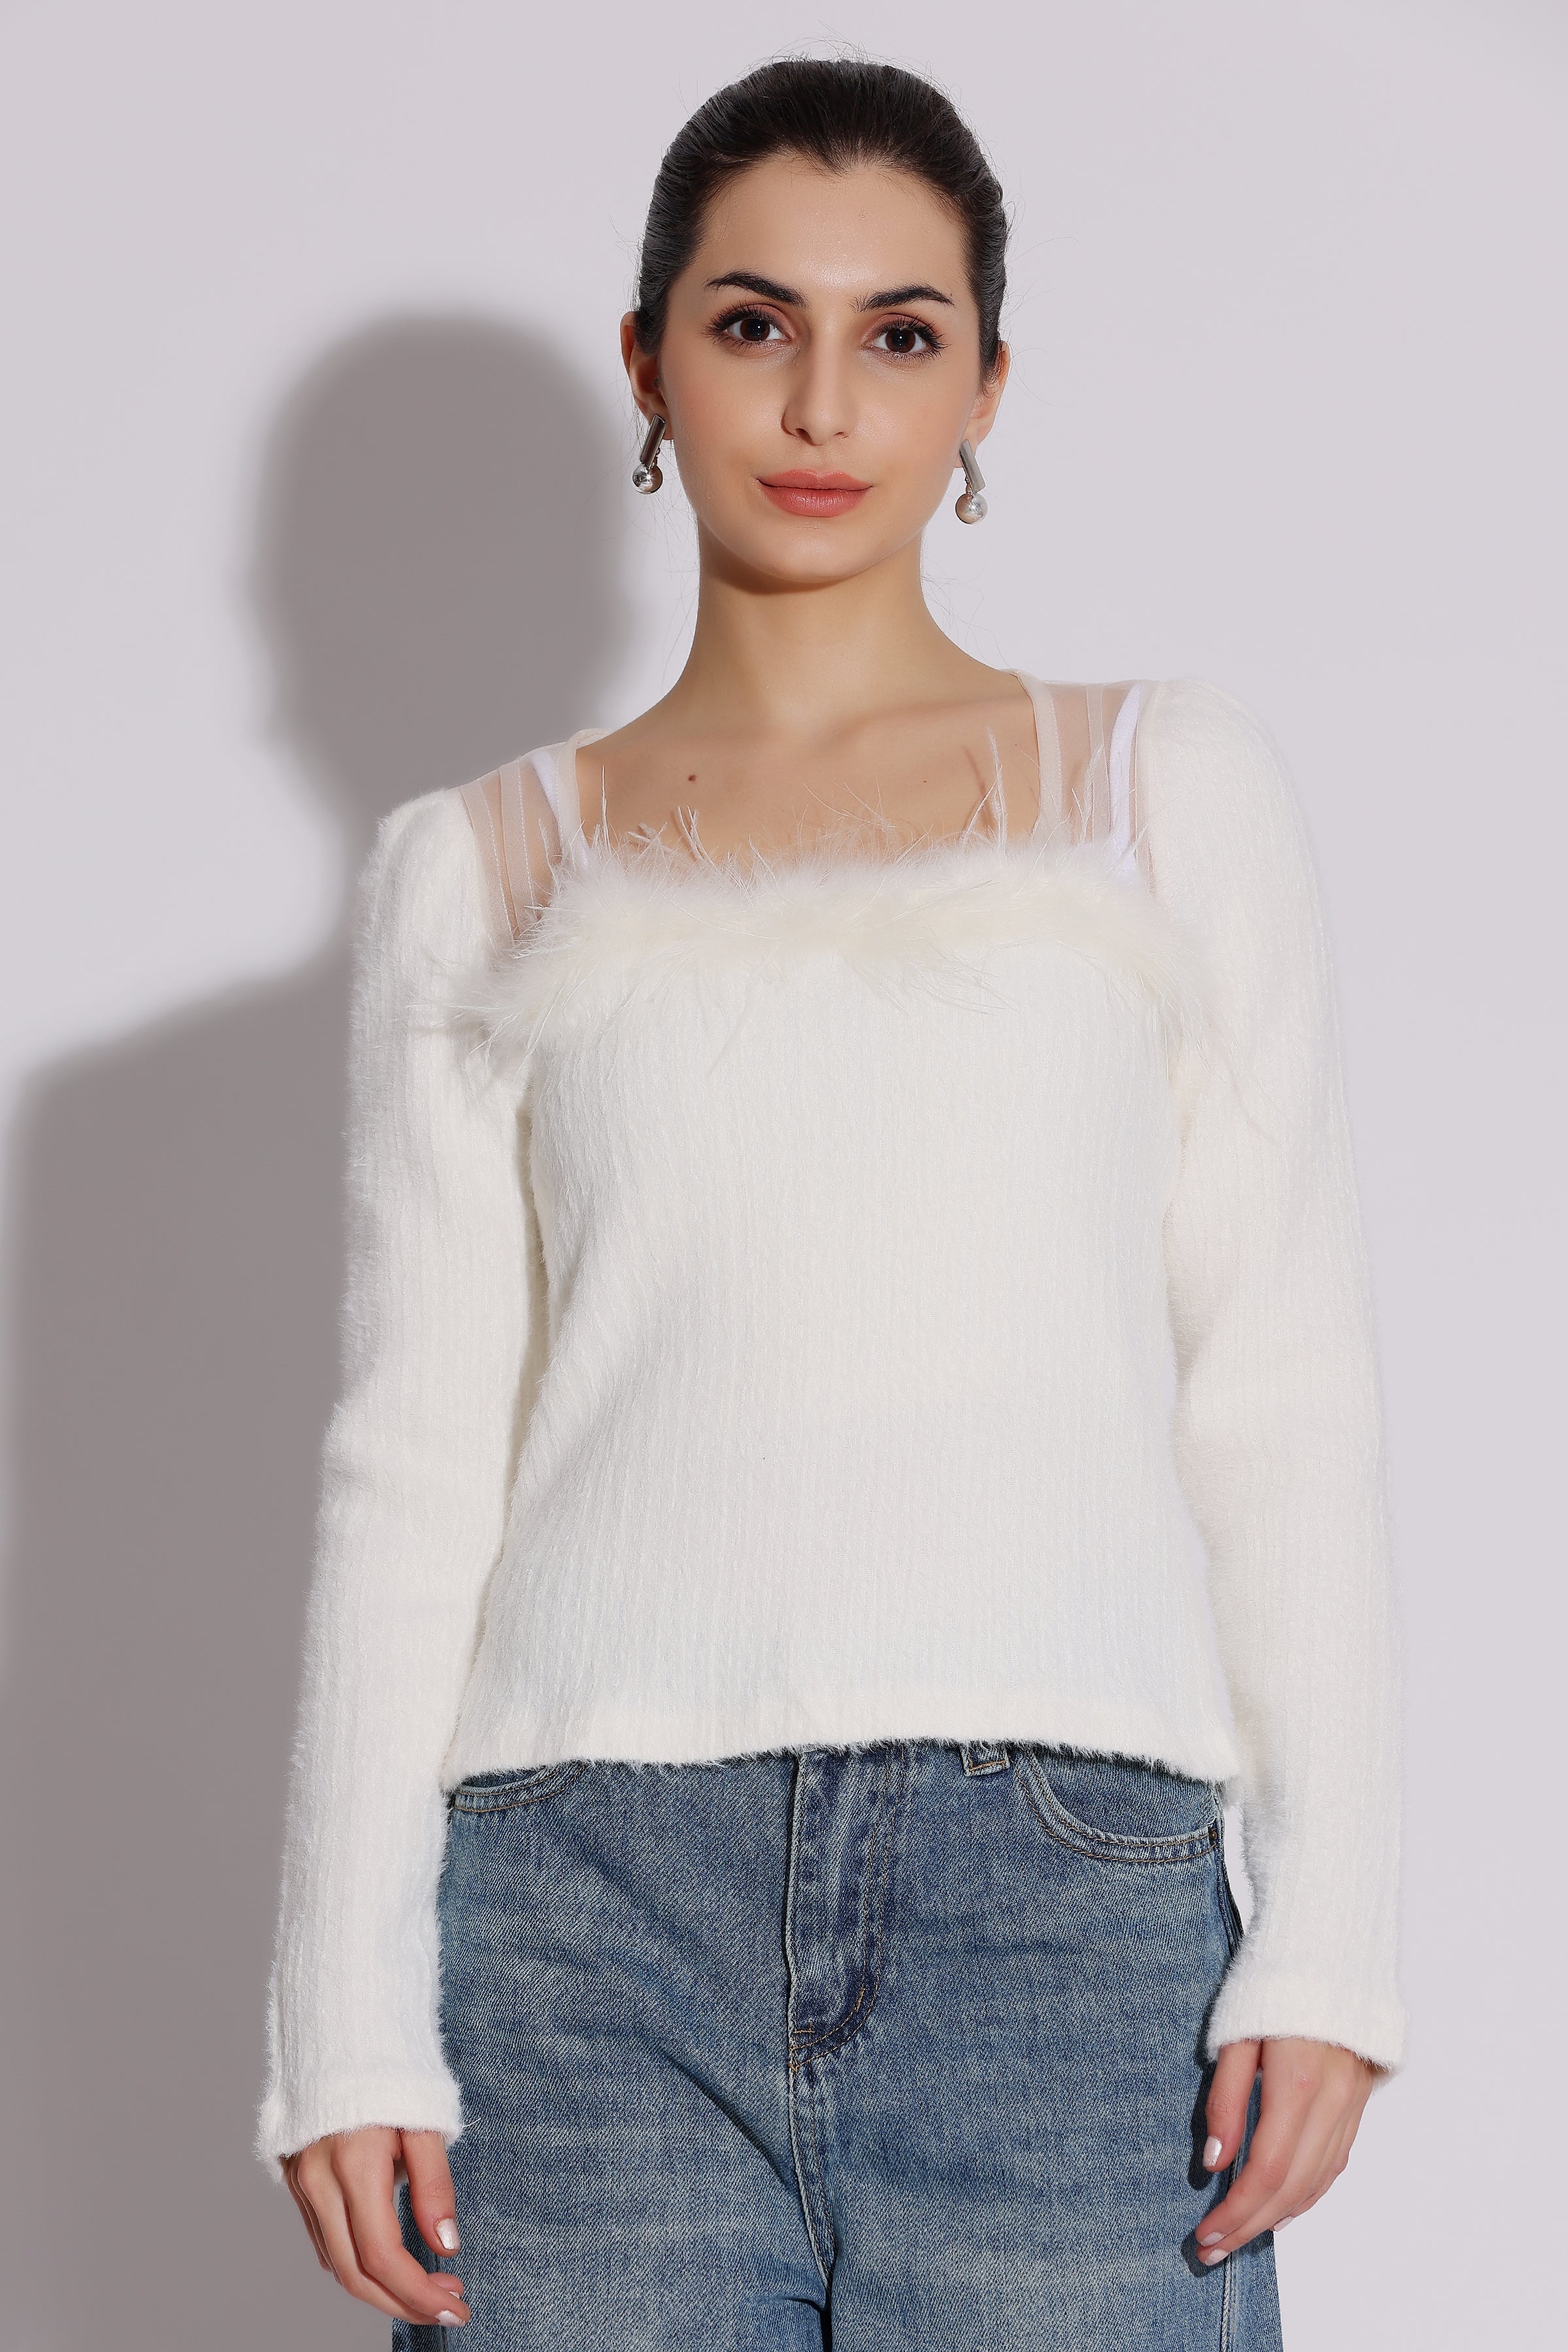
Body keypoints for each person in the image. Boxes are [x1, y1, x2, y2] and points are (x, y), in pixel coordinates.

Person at [258, 56, 1404, 2349]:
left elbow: (1278, 1389)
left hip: (1070, 1918)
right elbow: (413, 1465)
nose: (820, 402)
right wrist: (340, 2018)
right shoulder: (477, 870)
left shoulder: (1159, 791)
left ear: (986, 388)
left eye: (899, 333)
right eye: (752, 322)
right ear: (649, 364)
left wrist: (1336, 1938)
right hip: (583, 1931)